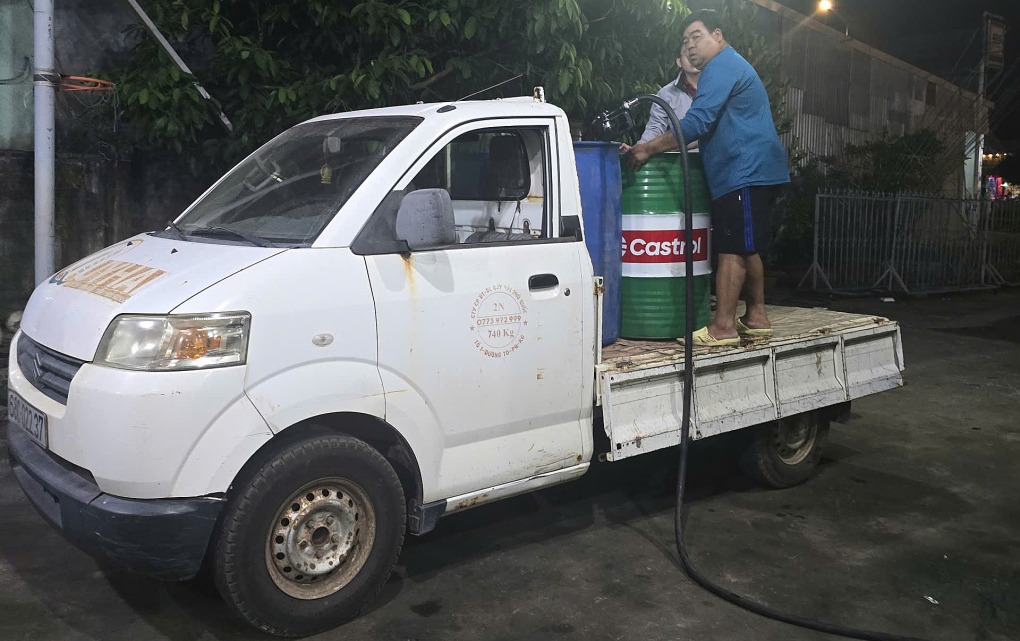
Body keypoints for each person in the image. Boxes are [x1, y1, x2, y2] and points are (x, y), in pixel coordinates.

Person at [624, 9, 790, 347]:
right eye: (685, 40)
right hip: (749, 170)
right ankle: (756, 317)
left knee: (731, 249)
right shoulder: (729, 65)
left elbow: (697, 122)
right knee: (746, 245)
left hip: (743, 170)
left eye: (696, 36)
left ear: (718, 35)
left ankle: (723, 327)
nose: (690, 45)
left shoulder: (720, 67)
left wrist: (649, 149)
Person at [620, 47, 701, 156]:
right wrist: (639, 148)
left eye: (696, 54)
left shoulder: (719, 89)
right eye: (687, 55)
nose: (692, 58)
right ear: (679, 62)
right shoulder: (666, 94)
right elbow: (655, 128)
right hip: (682, 162)